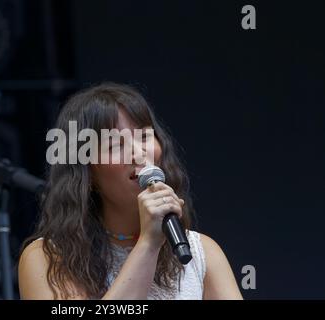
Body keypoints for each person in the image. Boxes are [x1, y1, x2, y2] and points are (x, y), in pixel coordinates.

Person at [18, 82, 243, 300]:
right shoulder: (48, 258)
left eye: (145, 136)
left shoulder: (201, 252)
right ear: (85, 174)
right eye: (116, 145)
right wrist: (148, 244)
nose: (138, 154)